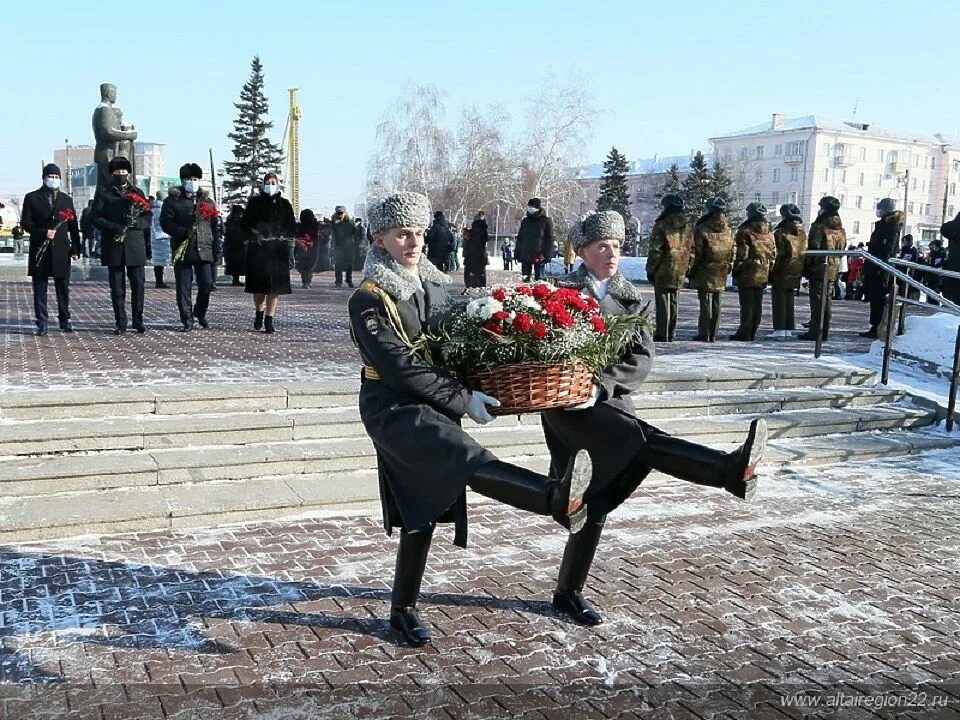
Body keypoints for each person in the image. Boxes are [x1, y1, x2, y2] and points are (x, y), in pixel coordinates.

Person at [348, 191, 592, 647]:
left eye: (418, 233)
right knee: (462, 457)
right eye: (403, 234)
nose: (414, 242)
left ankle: (402, 609)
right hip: (392, 406)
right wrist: (462, 399)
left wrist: (514, 320)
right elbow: (399, 365)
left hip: (435, 401)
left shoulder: (434, 284)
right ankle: (553, 499)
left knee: (421, 507)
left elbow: (464, 333)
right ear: (380, 239)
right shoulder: (369, 298)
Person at [542, 210, 767, 625]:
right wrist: (579, 387)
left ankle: (568, 592)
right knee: (640, 445)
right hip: (569, 409)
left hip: (610, 404)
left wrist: (601, 386)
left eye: (616, 246)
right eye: (601, 246)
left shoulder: (630, 295)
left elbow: (642, 358)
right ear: (584, 251)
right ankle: (726, 470)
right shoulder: (558, 292)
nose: (611, 253)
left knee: (596, 502)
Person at [91, 156, 151, 334]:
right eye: (118, 173)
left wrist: (137, 224)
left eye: (124, 172)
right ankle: (121, 321)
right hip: (114, 245)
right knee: (117, 287)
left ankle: (138, 320)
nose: (122, 176)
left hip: (135, 245)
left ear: (129, 173)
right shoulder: (104, 193)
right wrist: (115, 227)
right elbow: (95, 218)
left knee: (138, 285)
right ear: (112, 174)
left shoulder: (138, 192)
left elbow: (148, 217)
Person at [20, 163, 82, 335]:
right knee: (40, 287)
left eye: (56, 177)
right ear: (44, 178)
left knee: (63, 287)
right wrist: (42, 232)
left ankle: (65, 319)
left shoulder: (66, 199)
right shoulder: (32, 198)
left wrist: (76, 247)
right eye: (50, 177)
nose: (53, 180)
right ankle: (42, 321)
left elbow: (73, 226)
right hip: (40, 249)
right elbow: (26, 222)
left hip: (61, 250)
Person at [161, 164, 220, 331]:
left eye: (195, 179)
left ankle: (199, 312)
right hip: (184, 248)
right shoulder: (173, 200)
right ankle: (187, 318)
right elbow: (165, 223)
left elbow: (214, 227)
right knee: (184, 286)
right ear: (182, 180)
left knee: (207, 284)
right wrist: (181, 232)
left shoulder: (207, 202)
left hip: (204, 249)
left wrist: (216, 250)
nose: (192, 182)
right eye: (189, 179)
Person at [243, 173, 296, 333]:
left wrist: (285, 235)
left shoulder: (284, 204)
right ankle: (259, 312)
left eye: (273, 182)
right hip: (258, 250)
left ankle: (269, 319)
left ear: (278, 184)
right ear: (263, 184)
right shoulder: (254, 203)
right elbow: (244, 224)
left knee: (274, 287)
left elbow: (292, 225)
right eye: (267, 182)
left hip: (278, 251)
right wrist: (255, 234)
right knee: (259, 287)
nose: (270, 185)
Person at [646, 193, 693, 342]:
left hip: (663, 268)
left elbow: (656, 250)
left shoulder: (661, 225)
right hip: (680, 267)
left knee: (663, 301)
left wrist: (650, 269)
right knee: (674, 301)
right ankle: (671, 332)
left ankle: (662, 333)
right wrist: (688, 267)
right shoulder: (687, 227)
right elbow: (692, 249)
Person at [799, 196, 846, 342]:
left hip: (819, 267)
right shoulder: (840, 229)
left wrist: (806, 269)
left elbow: (814, 247)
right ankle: (824, 330)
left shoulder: (819, 226)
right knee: (827, 300)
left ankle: (815, 331)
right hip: (833, 267)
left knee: (818, 300)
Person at [689, 197, 734, 343]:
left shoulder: (702, 229)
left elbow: (696, 253)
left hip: (705, 269)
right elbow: (734, 250)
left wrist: (691, 269)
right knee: (717, 302)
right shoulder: (728, 230)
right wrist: (729, 266)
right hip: (721, 269)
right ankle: (713, 333)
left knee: (705, 302)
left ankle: (704, 333)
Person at [730, 202, 776, 342]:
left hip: (748, 271)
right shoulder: (769, 233)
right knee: (757, 303)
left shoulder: (745, 231)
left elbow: (742, 254)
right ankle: (753, 330)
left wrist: (736, 269)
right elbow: (774, 253)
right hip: (763, 270)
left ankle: (745, 332)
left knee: (747, 303)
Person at [860, 198, 904, 338]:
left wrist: (882, 266)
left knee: (878, 298)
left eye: (881, 209)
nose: (878, 211)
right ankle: (875, 325)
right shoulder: (883, 225)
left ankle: (877, 326)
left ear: (886, 211)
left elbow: (888, 249)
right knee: (874, 298)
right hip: (875, 265)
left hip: (880, 267)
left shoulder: (891, 226)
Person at [768, 203, 807, 340]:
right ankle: (788, 328)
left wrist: (771, 271)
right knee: (789, 299)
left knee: (779, 299)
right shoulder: (802, 233)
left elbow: (777, 254)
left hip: (782, 269)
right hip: (797, 268)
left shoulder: (780, 232)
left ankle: (779, 328)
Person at [515, 198, 553, 282]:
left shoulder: (545, 221)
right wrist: (517, 253)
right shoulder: (525, 221)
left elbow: (549, 239)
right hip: (526, 253)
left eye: (531, 206)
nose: (529, 208)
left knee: (539, 280)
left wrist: (547, 255)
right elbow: (520, 238)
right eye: (529, 207)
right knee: (525, 279)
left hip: (539, 255)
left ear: (537, 208)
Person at [331, 205, 357, 288]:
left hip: (349, 247)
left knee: (349, 265)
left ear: (345, 213)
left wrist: (356, 244)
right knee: (338, 264)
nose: (340, 215)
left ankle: (349, 280)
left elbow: (356, 234)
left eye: (341, 213)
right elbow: (332, 234)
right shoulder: (334, 223)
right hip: (338, 247)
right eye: (338, 213)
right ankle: (338, 282)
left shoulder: (350, 223)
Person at [295, 208, 320, 288]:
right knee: (310, 266)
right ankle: (307, 282)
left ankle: (305, 281)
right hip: (312, 248)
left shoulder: (299, 226)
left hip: (301, 247)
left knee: (302, 265)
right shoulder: (315, 225)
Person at [150, 191, 171, 288]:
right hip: (165, 236)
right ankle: (160, 281)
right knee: (165, 258)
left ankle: (158, 280)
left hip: (154, 237)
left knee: (157, 260)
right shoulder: (165, 209)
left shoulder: (152, 209)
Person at [464, 211, 490, 288]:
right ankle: (481, 285)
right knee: (481, 271)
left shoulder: (473, 230)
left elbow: (468, 241)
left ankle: (470, 286)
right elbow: (486, 239)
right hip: (481, 254)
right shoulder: (484, 229)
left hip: (471, 253)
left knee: (469, 271)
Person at [223, 205, 247, 286]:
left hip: (235, 246)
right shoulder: (233, 222)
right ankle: (235, 279)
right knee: (236, 263)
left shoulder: (231, 221)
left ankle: (236, 279)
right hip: (235, 246)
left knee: (237, 264)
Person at [941, 214, 960, 305]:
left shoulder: (955, 226)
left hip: (954, 270)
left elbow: (945, 229)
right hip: (954, 271)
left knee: (954, 302)